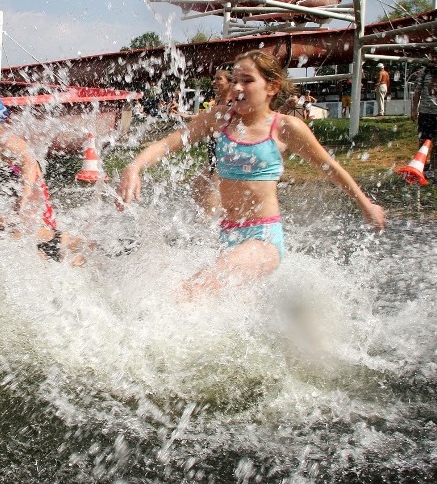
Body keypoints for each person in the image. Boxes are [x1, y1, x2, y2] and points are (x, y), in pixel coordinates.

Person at [118, 50, 385, 299]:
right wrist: (134, 166)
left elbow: (331, 169)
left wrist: (366, 205)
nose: (236, 88)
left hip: (263, 238)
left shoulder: (284, 127)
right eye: (234, 80)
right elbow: (171, 141)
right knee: (216, 303)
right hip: (227, 234)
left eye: (247, 81)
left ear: (272, 87)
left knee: (194, 290)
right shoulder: (222, 118)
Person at [0, 93, 84, 263]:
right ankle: (67, 253)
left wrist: (25, 194)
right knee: (29, 241)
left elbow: (30, 164)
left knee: (18, 231)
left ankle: (75, 242)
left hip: (33, 190)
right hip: (23, 189)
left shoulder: (6, 140)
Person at [191, 68, 232, 215]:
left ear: (230, 83)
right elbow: (207, 121)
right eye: (214, 78)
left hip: (226, 160)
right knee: (196, 190)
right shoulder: (215, 103)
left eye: (219, 79)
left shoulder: (235, 104)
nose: (213, 81)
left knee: (209, 209)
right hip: (213, 156)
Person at [411, 62, 437, 178]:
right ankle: (421, 165)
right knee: (423, 141)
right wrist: (414, 109)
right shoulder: (424, 72)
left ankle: (433, 168)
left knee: (436, 143)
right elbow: (417, 92)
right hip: (425, 112)